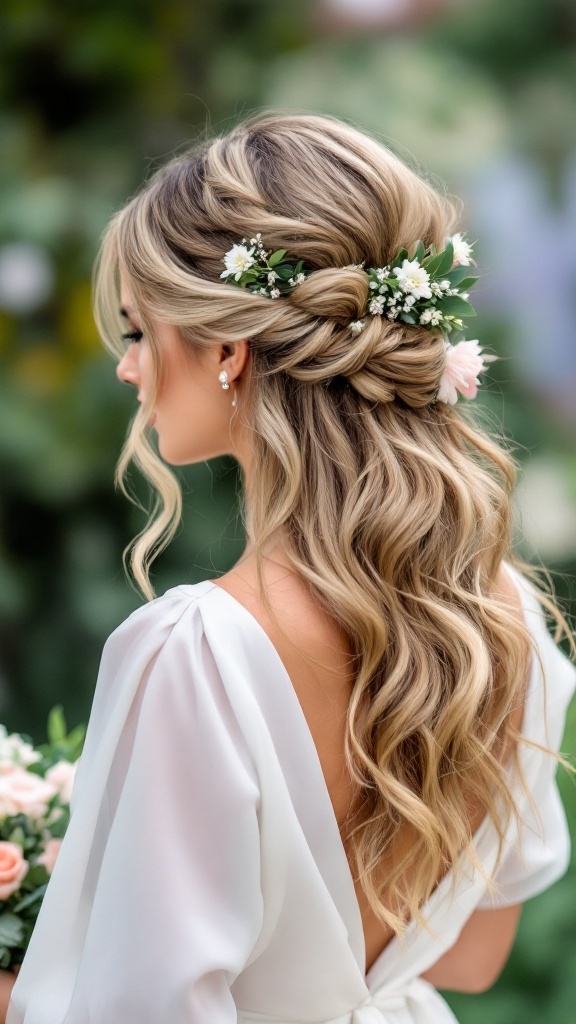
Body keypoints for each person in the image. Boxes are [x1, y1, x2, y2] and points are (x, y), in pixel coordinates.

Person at [6, 113, 576, 1024]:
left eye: (139, 332)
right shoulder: (501, 616)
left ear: (229, 351)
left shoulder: (197, 655)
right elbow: (472, 957)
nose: (127, 369)